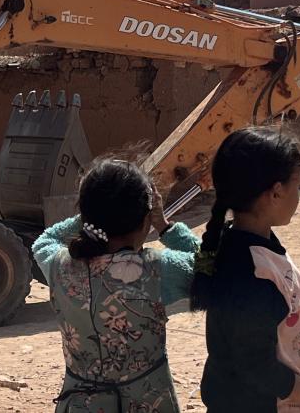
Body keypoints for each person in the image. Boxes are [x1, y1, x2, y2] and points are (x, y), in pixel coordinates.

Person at [193, 127, 300, 413]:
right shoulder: (250, 274)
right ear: (276, 192)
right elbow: (257, 366)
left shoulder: (249, 245)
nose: (299, 195)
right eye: (298, 186)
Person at [33, 158, 200, 412]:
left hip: (79, 405)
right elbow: (209, 265)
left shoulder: (60, 266)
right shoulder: (157, 270)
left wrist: (92, 216)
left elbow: (44, 240)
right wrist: (166, 227)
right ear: (146, 218)